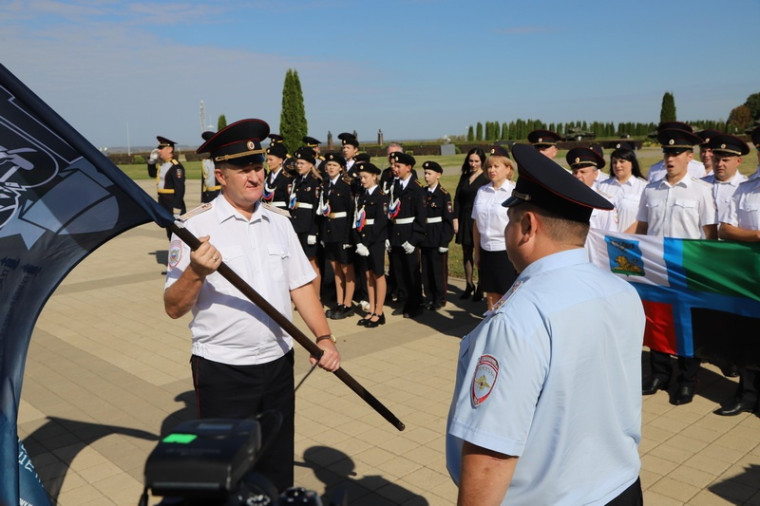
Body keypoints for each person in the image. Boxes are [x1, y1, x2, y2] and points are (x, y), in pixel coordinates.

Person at [447, 143, 645, 505]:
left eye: (510, 220)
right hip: (621, 489)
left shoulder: (517, 318)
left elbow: (492, 453)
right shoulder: (622, 291)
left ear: (527, 225)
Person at [163, 118, 340, 493]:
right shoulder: (194, 227)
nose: (254, 176)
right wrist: (195, 271)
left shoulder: (279, 222)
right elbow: (173, 307)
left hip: (278, 365)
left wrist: (324, 337)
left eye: (257, 167)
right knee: (225, 474)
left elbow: (302, 287)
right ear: (220, 174)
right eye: (243, 169)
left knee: (276, 467)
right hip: (223, 369)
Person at [634, 128, 717, 405]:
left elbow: (709, 234)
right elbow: (643, 228)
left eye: (676, 153)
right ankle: (659, 373)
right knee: (657, 319)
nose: (670, 158)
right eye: (667, 152)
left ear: (688, 157)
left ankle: (687, 378)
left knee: (686, 323)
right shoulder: (651, 189)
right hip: (656, 266)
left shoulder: (702, 190)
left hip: (687, 267)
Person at [717, 134, 760, 416]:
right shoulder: (745, 189)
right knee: (749, 336)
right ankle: (747, 394)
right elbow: (725, 229)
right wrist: (756, 235)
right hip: (750, 276)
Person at [471, 146, 517, 310]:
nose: (491, 170)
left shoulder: (514, 192)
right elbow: (476, 224)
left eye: (496, 166)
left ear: (508, 168)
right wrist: (477, 252)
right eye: (489, 166)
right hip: (486, 250)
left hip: (507, 252)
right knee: (490, 295)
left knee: (509, 295)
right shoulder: (482, 191)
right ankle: (493, 327)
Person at [388, 151, 426, 318]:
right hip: (396, 234)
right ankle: (404, 301)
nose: (394, 169)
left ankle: (415, 304)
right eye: (394, 166)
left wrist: (414, 239)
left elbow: (421, 216)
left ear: (408, 168)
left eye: (398, 166)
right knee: (399, 270)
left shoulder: (416, 188)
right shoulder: (395, 186)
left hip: (409, 234)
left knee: (412, 272)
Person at [319, 152, 356, 320]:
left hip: (342, 231)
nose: (330, 168)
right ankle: (340, 302)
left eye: (334, 165)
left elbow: (351, 212)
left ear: (341, 168)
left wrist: (349, 237)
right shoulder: (325, 184)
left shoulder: (346, 185)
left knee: (347, 268)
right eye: (328, 165)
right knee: (335, 269)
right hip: (329, 230)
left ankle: (348, 305)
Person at [352, 161, 389, 328]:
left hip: (375, 241)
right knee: (368, 276)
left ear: (375, 176)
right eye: (361, 178)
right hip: (364, 241)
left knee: (378, 275)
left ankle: (379, 312)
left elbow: (381, 222)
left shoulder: (381, 196)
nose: (363, 181)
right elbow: (357, 219)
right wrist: (359, 242)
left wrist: (366, 242)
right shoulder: (363, 196)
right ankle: (371, 309)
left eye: (365, 177)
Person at [453, 148, 489, 301]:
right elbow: (457, 199)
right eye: (471, 161)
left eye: (476, 161)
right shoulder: (465, 177)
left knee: (479, 255)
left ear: (482, 162)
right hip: (464, 218)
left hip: (479, 220)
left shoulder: (486, 178)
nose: (473, 164)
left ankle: (481, 286)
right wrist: (455, 219)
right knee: (466, 253)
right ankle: (469, 284)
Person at [420, 161, 455, 310]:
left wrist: (444, 242)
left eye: (429, 173)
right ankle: (429, 296)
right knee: (426, 270)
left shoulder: (443, 195)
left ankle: (440, 298)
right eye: (425, 173)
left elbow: (448, 221)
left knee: (438, 270)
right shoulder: (422, 193)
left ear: (438, 175)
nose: (426, 177)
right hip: (425, 237)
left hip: (437, 236)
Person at [289, 147, 323, 295]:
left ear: (311, 164)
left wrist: (313, 231)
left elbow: (316, 209)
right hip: (297, 225)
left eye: (302, 163)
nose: (299, 166)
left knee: (312, 263)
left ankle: (316, 296)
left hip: (308, 226)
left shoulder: (315, 182)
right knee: (301, 263)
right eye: (298, 163)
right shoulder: (297, 180)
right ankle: (307, 294)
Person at [598, 142, 647, 233]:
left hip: (631, 241)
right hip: (604, 241)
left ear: (632, 163)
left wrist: (623, 238)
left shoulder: (644, 187)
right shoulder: (602, 186)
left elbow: (645, 220)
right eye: (614, 162)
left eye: (622, 161)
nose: (617, 165)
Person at [566, 147, 618, 231]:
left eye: (583, 172)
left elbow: (610, 234)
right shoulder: (566, 198)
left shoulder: (604, 202)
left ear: (595, 174)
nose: (578, 176)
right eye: (575, 172)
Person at [147, 135, 186, 236]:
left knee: (178, 235)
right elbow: (152, 174)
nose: (159, 151)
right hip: (163, 204)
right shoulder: (163, 165)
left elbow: (180, 188)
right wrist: (151, 162)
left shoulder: (175, 166)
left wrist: (177, 209)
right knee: (170, 233)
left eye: (161, 148)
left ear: (170, 149)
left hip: (172, 205)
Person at [264, 142, 292, 211]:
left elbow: (289, 200)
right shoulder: (267, 177)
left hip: (281, 213)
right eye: (267, 160)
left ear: (280, 160)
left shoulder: (286, 178)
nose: (268, 162)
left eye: (271, 160)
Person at [200, 131, 221, 203]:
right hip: (209, 195)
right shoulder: (206, 162)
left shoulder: (223, 160)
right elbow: (204, 183)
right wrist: (203, 199)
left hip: (221, 194)